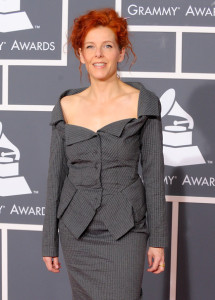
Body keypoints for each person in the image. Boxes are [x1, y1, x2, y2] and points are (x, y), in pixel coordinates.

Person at [42, 7, 168, 300]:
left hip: (125, 229)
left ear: (121, 53)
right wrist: (49, 241)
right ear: (81, 55)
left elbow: (153, 175)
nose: (99, 54)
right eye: (90, 47)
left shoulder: (144, 103)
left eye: (107, 46)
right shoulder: (66, 106)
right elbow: (55, 176)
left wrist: (158, 240)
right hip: (76, 230)